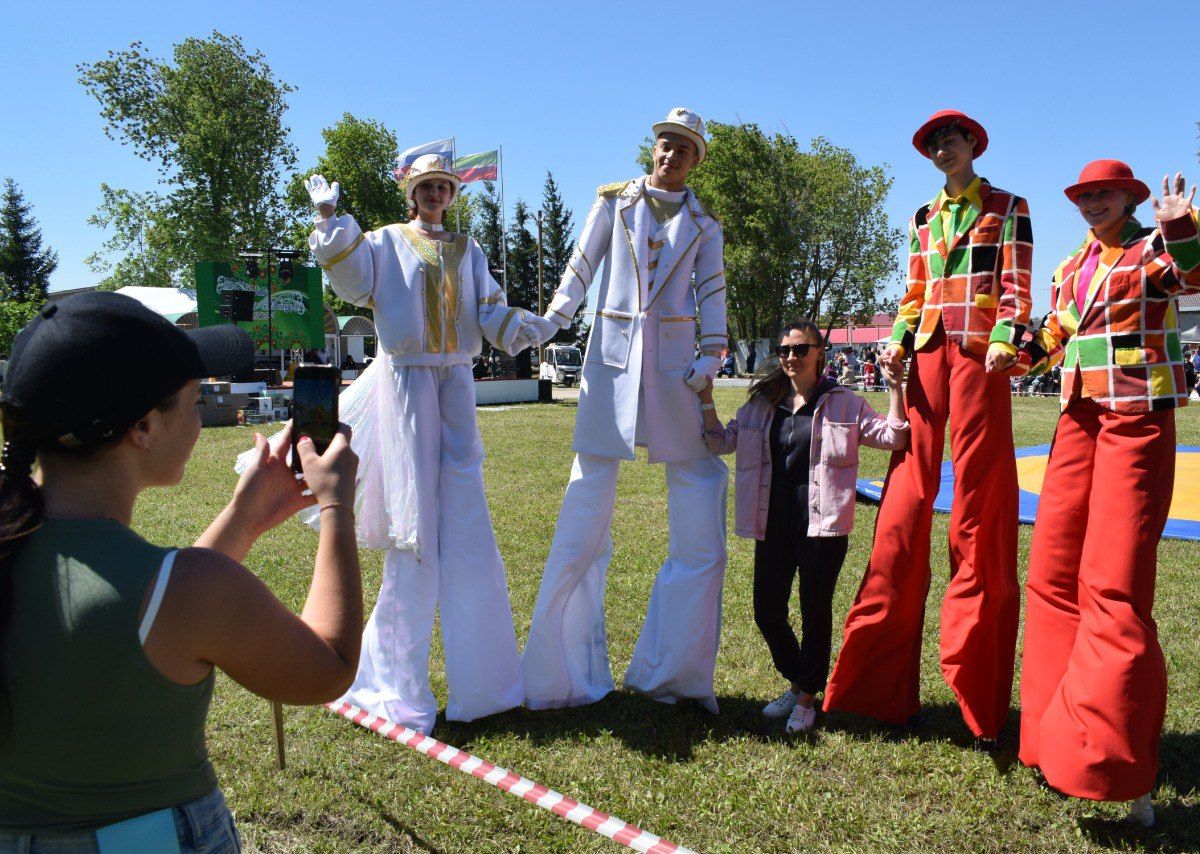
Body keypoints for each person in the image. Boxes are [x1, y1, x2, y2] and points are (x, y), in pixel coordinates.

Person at [0, 292, 361, 850]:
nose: (199, 418)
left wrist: (243, 518)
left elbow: (156, 608)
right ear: (143, 426)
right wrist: (336, 505)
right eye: (195, 401)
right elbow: (328, 668)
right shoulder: (190, 587)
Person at [299, 152, 530, 733]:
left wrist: (518, 328)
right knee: (416, 535)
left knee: (468, 530)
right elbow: (353, 285)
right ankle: (394, 688)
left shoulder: (469, 248)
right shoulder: (385, 240)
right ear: (413, 191)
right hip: (405, 382)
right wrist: (330, 219)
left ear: (452, 194)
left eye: (442, 186)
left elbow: (488, 307)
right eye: (425, 185)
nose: (434, 194)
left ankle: (488, 688)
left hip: (455, 380)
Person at [825, 110, 1032, 745]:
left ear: (974, 144)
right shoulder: (921, 218)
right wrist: (895, 342)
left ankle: (979, 697)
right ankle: (876, 690)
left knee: (979, 505)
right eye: (934, 143)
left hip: (978, 359)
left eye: (952, 139)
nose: (943, 149)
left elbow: (1018, 290)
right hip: (926, 359)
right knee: (904, 503)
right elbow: (913, 294)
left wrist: (1003, 342)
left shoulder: (1008, 205)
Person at [1017, 163, 1200, 826]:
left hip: (1137, 416)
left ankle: (1121, 770)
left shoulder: (1152, 246)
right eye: (1083, 196)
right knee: (1050, 574)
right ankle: (1056, 742)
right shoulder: (1074, 262)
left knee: (1115, 582)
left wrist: (1180, 226)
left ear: (1130, 199)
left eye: (1103, 194)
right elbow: (1054, 336)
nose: (1092, 204)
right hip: (1077, 416)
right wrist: (1006, 349)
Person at [519, 108, 730, 712]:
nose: (671, 156)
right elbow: (581, 268)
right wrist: (553, 322)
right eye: (665, 145)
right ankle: (560, 669)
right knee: (586, 504)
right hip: (609, 366)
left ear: (695, 162)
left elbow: (711, 294)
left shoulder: (704, 225)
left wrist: (711, 357)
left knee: (697, 506)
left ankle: (676, 674)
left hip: (674, 376)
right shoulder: (613, 202)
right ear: (653, 147)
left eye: (683, 151)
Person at [699, 320, 907, 733]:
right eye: (784, 351)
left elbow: (894, 437)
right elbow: (719, 442)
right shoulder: (762, 403)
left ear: (819, 353)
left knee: (815, 613)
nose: (790, 357)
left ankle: (807, 700)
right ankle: (802, 682)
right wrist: (706, 401)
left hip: (823, 526)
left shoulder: (843, 402)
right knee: (767, 612)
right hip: (770, 522)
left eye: (799, 349)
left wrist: (896, 388)